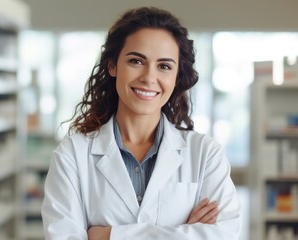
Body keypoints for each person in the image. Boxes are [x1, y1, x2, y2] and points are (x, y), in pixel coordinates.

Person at [41, 6, 241, 240]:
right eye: (136, 61)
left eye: (164, 66)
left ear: (176, 77)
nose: (148, 77)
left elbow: (223, 234)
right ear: (113, 65)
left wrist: (107, 236)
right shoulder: (72, 155)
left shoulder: (205, 155)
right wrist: (183, 232)